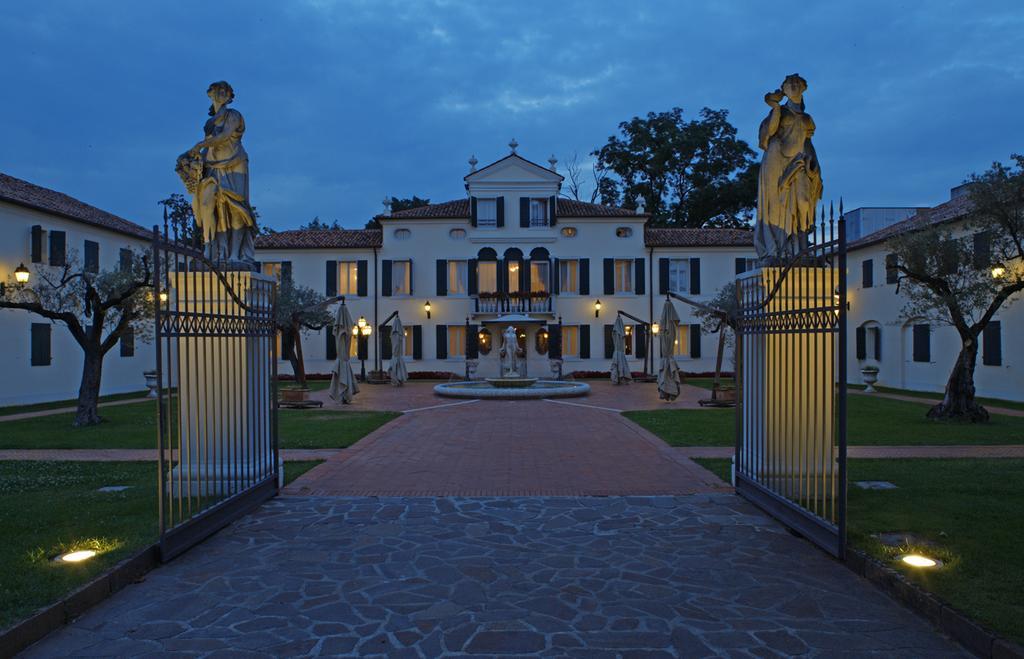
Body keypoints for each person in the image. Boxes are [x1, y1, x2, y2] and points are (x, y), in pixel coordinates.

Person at [177, 81, 257, 263]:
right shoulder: (210, 121)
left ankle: (235, 255)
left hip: (235, 163)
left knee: (236, 207)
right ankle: (212, 250)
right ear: (210, 94)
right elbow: (210, 146)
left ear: (230, 96)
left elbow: (224, 136)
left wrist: (198, 145)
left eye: (225, 92)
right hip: (212, 165)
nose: (222, 94)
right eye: (218, 91)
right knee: (209, 206)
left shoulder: (234, 115)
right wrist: (194, 160)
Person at [754, 73, 823, 261]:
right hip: (776, 160)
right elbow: (769, 133)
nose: (793, 84)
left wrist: (815, 165)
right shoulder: (779, 112)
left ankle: (799, 249)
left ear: (804, 88)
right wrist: (775, 106)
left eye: (797, 82)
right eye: (789, 83)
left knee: (803, 202)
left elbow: (808, 142)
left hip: (799, 161)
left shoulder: (807, 118)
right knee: (776, 205)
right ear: (783, 89)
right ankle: (777, 249)